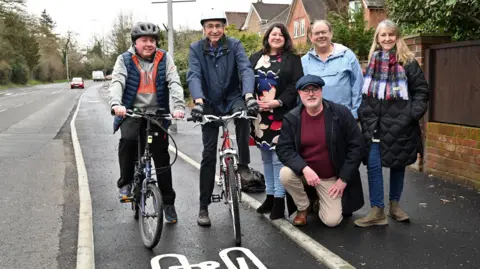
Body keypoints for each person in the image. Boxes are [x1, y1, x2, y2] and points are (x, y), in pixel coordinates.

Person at [187, 8, 259, 227]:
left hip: (233, 97)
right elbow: (194, 74)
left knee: (244, 115)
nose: (215, 30)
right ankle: (203, 207)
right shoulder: (196, 49)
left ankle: (243, 164)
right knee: (208, 154)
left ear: (224, 27)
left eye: (218, 26)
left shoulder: (235, 45)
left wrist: (249, 96)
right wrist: (198, 102)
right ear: (204, 29)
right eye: (210, 26)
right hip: (208, 102)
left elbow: (246, 69)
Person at [354, 20, 429, 227]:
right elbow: (365, 93)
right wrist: (364, 113)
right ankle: (377, 210)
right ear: (377, 39)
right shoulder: (372, 61)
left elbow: (421, 92)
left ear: (397, 37)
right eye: (383, 35)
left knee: (398, 164)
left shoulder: (408, 62)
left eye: (391, 35)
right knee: (374, 165)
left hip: (400, 124)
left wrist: (410, 115)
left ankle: (394, 206)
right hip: (374, 123)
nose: (387, 39)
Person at [109, 22, 185, 223]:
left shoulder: (164, 57)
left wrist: (178, 106)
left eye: (152, 40)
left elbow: (174, 81)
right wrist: (117, 104)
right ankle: (125, 183)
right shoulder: (124, 59)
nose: (149, 44)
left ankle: (168, 204)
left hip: (157, 114)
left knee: (162, 161)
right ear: (135, 43)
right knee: (128, 140)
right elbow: (118, 81)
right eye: (144, 40)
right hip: (131, 112)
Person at [276, 74, 365, 227]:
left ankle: (317, 200)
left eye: (314, 89)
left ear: (321, 90)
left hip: (331, 177)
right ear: (299, 94)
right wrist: (304, 168)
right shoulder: (292, 118)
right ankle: (303, 207)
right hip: (305, 175)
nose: (311, 94)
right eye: (306, 90)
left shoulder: (340, 113)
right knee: (285, 174)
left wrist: (343, 179)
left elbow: (357, 146)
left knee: (332, 221)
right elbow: (284, 148)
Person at [249, 23, 303, 220]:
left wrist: (277, 102)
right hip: (259, 116)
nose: (277, 37)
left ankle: (280, 201)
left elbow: (296, 84)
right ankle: (270, 196)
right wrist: (251, 100)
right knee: (265, 157)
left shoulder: (293, 59)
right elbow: (246, 80)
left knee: (278, 158)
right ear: (267, 36)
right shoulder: (255, 57)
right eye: (274, 34)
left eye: (281, 34)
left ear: (286, 38)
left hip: (281, 114)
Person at [301, 20, 363, 120]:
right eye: (317, 33)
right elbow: (300, 92)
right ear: (310, 37)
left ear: (331, 33)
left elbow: (358, 85)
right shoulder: (304, 62)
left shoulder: (346, 55)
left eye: (324, 32)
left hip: (344, 117)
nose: (321, 36)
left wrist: (354, 113)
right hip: (315, 118)